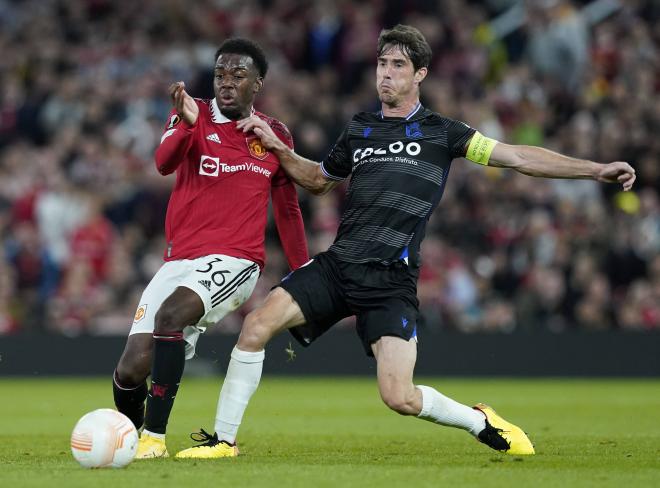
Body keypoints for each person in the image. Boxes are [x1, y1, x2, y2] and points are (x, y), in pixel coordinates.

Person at [175, 25, 636, 459]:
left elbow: (517, 156)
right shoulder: (360, 128)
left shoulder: (444, 133)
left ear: (420, 74)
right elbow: (318, 181)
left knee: (399, 396)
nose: (386, 74)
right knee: (256, 326)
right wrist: (278, 148)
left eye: (397, 65)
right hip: (339, 265)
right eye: (381, 64)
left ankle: (478, 421)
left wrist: (595, 169)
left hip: (391, 280)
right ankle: (223, 441)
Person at [111, 38, 309, 459]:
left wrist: (303, 273)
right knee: (129, 372)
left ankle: (154, 440)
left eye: (238, 75)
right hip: (178, 260)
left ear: (258, 83)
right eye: (220, 74)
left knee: (171, 316)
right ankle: (128, 437)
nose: (227, 83)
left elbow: (288, 211)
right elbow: (164, 163)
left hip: (236, 259)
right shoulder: (193, 113)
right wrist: (184, 123)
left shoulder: (274, 134)